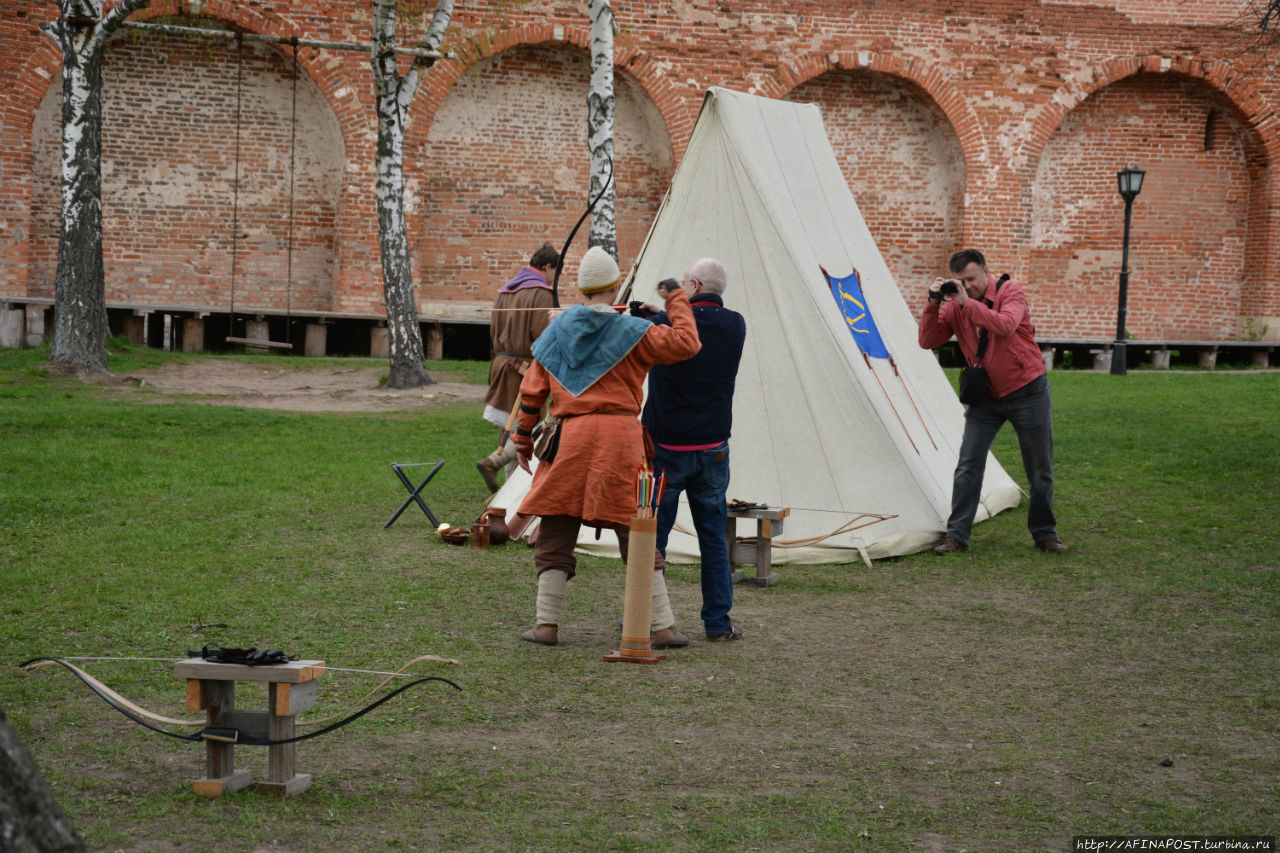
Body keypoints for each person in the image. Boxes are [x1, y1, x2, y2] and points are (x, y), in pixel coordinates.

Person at [512, 245, 702, 647]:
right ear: (617, 287)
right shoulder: (635, 332)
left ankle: (547, 624)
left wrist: (522, 438)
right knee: (637, 529)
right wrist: (675, 297)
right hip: (621, 441)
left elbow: (532, 393)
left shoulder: (557, 331)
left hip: (572, 440)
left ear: (581, 290)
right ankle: (663, 626)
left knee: (556, 526)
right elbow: (687, 343)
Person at [918, 248, 1066, 554]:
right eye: (960, 281)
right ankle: (956, 535)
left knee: (1039, 468)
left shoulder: (1011, 291)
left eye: (971, 279)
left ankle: (1045, 534)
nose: (967, 286)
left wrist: (966, 303)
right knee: (968, 466)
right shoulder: (954, 304)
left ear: (986, 272)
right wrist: (933, 304)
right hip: (986, 397)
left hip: (1028, 389)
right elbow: (927, 341)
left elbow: (1004, 325)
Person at [640, 259, 747, 642]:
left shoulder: (662, 327)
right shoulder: (736, 324)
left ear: (695, 284)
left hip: (666, 449)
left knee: (653, 538)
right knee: (713, 539)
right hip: (714, 448)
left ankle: (647, 616)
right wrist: (665, 310)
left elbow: (675, 328)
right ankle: (718, 623)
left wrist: (659, 313)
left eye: (686, 284)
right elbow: (689, 324)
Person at [476, 243, 559, 493]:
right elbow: (544, 337)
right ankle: (496, 467)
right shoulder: (540, 292)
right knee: (530, 430)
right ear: (547, 267)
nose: (556, 278)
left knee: (512, 430)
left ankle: (507, 495)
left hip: (502, 365)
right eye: (556, 271)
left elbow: (493, 332)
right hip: (525, 370)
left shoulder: (507, 290)